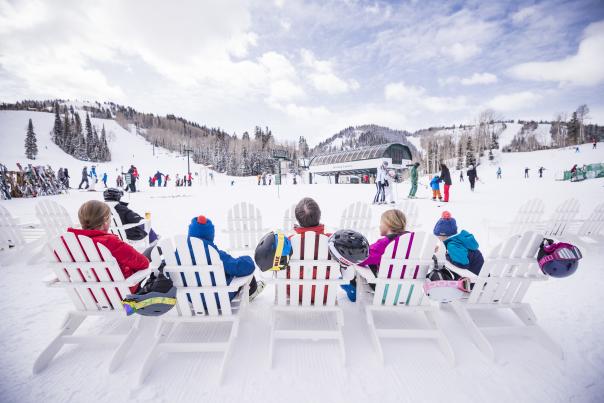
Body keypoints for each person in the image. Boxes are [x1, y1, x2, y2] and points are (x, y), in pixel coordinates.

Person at [68, 200, 150, 293]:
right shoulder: (110, 242)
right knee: (151, 253)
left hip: (92, 296)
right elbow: (144, 263)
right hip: (121, 292)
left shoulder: (69, 243)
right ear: (105, 221)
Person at [187, 215, 264, 301]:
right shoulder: (215, 254)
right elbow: (243, 267)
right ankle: (252, 292)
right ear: (210, 234)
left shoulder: (178, 255)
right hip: (218, 299)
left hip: (191, 299)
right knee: (247, 275)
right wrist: (247, 259)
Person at [433, 211, 484, 276]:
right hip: (480, 278)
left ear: (444, 236)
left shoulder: (452, 246)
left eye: (439, 237)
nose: (439, 239)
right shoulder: (460, 241)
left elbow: (462, 264)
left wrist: (445, 256)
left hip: (473, 281)